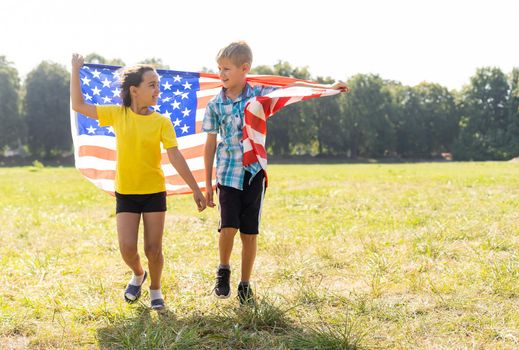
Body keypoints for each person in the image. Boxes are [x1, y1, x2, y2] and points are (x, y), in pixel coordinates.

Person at [202, 41, 348, 305]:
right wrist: (206, 183)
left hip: (253, 172)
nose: (221, 74)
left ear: (244, 69)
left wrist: (328, 89)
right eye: (219, 69)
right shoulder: (215, 105)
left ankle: (245, 284)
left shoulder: (259, 96)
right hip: (227, 174)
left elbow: (293, 90)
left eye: (226, 69)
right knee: (228, 227)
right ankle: (223, 269)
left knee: (249, 232)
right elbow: (210, 143)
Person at [70, 54, 207, 310]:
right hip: (126, 193)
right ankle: (138, 273)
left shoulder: (162, 122)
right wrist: (75, 70)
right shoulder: (117, 114)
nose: (158, 89)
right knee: (127, 248)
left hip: (154, 192)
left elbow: (175, 156)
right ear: (134, 90)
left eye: (158, 84)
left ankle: (156, 289)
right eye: (152, 85)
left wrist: (195, 189)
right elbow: (78, 105)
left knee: (153, 249)